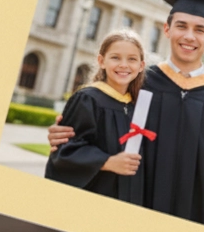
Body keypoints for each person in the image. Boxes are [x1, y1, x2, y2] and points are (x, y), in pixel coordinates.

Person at [48, 0, 204, 232]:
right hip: (134, 213)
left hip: (198, 221)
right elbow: (99, 128)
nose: (189, 36)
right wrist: (66, 133)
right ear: (166, 29)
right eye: (181, 26)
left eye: (199, 29)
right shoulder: (137, 83)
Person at [45, 29, 146, 203]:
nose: (124, 65)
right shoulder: (88, 99)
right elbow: (65, 150)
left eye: (132, 59)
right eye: (115, 57)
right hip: (93, 194)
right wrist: (107, 162)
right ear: (101, 61)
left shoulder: (137, 105)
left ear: (141, 66)